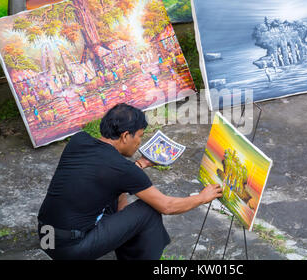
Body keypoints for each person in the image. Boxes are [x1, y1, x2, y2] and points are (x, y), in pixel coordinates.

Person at [37, 103, 222, 260]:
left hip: (46, 237)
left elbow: (108, 175)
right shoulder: (122, 169)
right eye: (140, 136)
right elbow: (167, 206)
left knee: (106, 192)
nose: (139, 142)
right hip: (68, 250)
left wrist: (140, 164)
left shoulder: (79, 141)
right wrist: (202, 197)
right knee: (148, 210)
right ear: (126, 136)